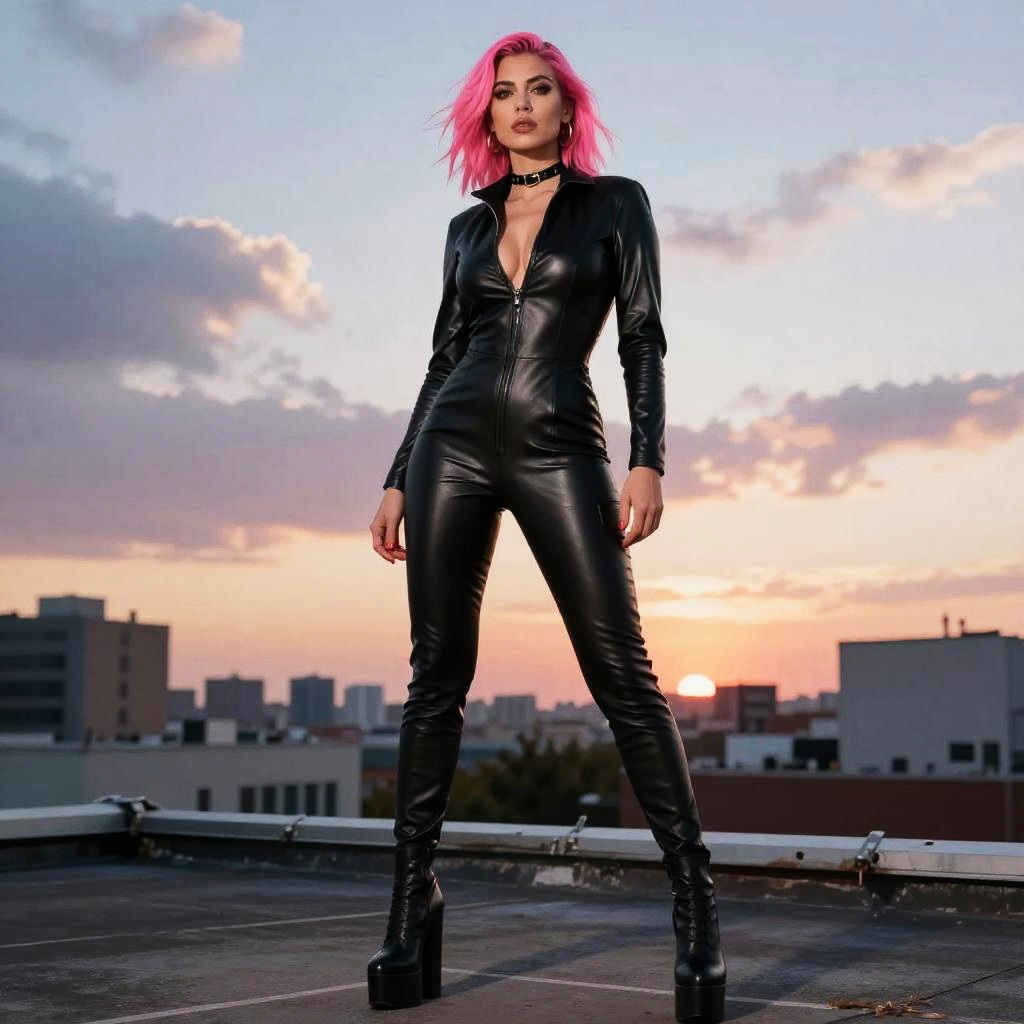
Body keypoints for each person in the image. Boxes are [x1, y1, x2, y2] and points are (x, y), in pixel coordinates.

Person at [366, 31, 726, 1024]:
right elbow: (443, 358)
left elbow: (643, 334)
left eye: (539, 90)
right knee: (436, 674)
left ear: (567, 108)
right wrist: (398, 475)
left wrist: (647, 453)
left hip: (562, 442)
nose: (520, 105)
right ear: (485, 117)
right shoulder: (463, 231)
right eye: (503, 94)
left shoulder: (616, 204)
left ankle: (695, 905)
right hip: (452, 444)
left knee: (624, 673)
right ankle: (409, 905)